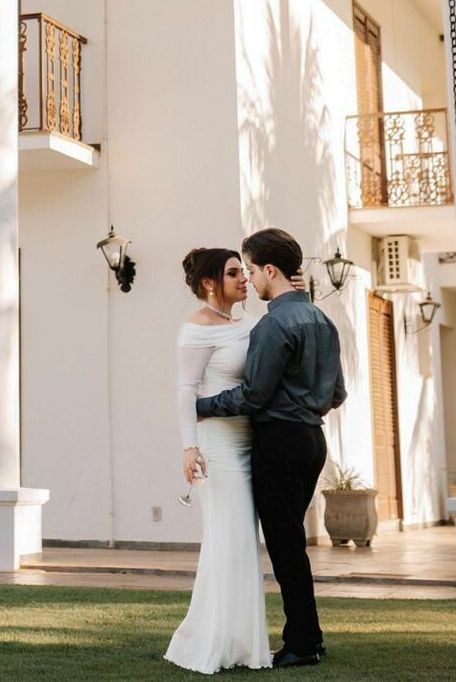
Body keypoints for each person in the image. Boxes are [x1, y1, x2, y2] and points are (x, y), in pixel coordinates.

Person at [195, 228, 346, 669]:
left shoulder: (274, 324)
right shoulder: (322, 320)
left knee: (285, 547)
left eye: (251, 270)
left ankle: (303, 644)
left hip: (279, 442)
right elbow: (337, 393)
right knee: (290, 543)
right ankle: (308, 637)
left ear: (270, 270)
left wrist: (200, 405)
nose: (249, 280)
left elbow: (252, 396)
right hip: (312, 441)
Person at [165, 247, 272, 674]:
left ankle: (243, 642)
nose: (244, 279)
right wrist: (188, 446)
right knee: (227, 538)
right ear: (210, 283)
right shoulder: (195, 329)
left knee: (245, 541)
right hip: (217, 446)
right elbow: (185, 390)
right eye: (233, 273)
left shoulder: (248, 322)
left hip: (251, 440)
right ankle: (210, 641)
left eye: (244, 272)